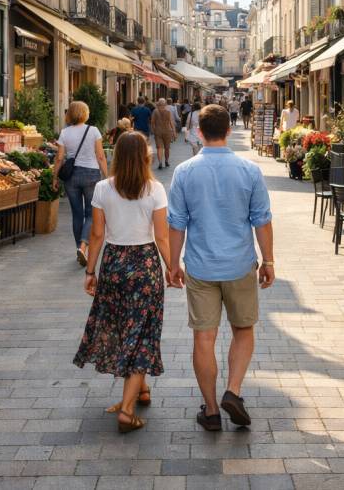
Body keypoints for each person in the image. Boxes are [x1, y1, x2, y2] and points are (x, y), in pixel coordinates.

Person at [168, 104, 274, 432]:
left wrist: (173, 264)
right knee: (243, 329)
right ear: (229, 130)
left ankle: (212, 411)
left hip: (200, 266)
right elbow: (262, 220)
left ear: (199, 131)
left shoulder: (184, 172)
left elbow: (176, 224)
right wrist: (268, 260)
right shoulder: (249, 170)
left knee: (204, 337)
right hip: (240, 264)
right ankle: (234, 391)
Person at [73, 132, 180, 433]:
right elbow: (161, 236)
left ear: (117, 157)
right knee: (142, 334)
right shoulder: (155, 189)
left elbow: (96, 235)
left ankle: (139, 391)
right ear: (145, 157)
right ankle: (128, 410)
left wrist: (90, 271)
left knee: (124, 330)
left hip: (114, 264)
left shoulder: (103, 188)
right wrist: (173, 268)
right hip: (145, 266)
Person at [53, 101, 109, 266]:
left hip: (71, 176)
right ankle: (84, 247)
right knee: (91, 214)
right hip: (91, 174)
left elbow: (59, 158)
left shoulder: (64, 133)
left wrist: (54, 178)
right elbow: (100, 156)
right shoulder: (93, 131)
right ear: (85, 113)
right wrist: (107, 176)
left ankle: (79, 247)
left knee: (77, 214)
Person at [151, 98, 177, 170]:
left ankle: (160, 162)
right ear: (165, 104)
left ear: (158, 104)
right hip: (167, 131)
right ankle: (166, 161)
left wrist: (154, 130)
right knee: (167, 148)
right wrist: (174, 132)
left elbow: (152, 122)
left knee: (159, 148)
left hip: (158, 132)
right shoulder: (168, 111)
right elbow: (171, 122)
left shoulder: (155, 111)